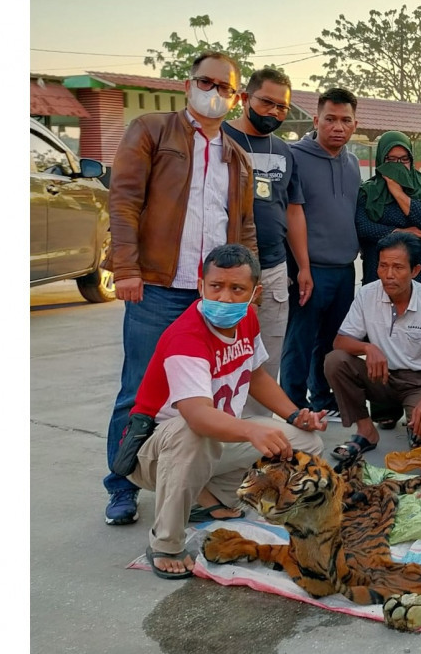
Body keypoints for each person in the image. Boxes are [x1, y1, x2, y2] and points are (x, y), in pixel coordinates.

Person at [101, 51, 256, 526]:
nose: (213, 93)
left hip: (214, 297)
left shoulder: (236, 154)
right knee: (140, 391)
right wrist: (126, 268)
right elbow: (124, 201)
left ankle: (195, 489)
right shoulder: (151, 130)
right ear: (186, 85)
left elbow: (245, 227)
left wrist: (247, 286)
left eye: (223, 87)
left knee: (206, 397)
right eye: (204, 82)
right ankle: (121, 485)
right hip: (158, 286)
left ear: (236, 96)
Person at [124, 244, 326, 579]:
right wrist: (251, 431)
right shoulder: (186, 337)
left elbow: (257, 374)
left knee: (306, 443)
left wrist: (294, 416)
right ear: (201, 286)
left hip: (212, 438)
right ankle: (166, 543)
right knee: (197, 433)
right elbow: (197, 415)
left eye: (237, 289)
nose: (226, 298)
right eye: (216, 286)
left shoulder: (246, 319)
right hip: (155, 452)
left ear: (254, 293)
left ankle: (204, 497)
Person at [324, 232, 421, 461]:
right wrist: (368, 349)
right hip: (381, 376)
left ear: (415, 271)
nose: (389, 275)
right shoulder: (367, 294)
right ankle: (366, 430)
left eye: (398, 267)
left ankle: (413, 426)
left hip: (420, 382)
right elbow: (340, 342)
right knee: (335, 361)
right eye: (383, 266)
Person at [222, 68, 298, 421]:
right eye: (266, 102)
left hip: (274, 269)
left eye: (282, 107)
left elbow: (294, 212)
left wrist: (305, 267)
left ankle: (258, 441)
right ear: (244, 98)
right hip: (227, 274)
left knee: (267, 358)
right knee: (221, 356)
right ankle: (221, 432)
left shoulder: (285, 151)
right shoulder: (218, 138)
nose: (274, 112)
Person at [281, 88, 362, 413]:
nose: (338, 127)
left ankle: (323, 399)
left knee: (330, 341)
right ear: (317, 120)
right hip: (308, 269)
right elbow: (289, 212)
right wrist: (301, 268)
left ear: (355, 124)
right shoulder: (294, 157)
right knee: (299, 342)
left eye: (345, 120)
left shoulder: (353, 162)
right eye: (330, 119)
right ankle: (293, 406)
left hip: (344, 270)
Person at [357, 131, 421, 290]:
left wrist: (397, 192)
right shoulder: (368, 191)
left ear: (411, 160)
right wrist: (400, 232)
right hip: (379, 266)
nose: (398, 165)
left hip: (417, 267)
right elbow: (363, 228)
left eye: (404, 159)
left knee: (418, 311)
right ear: (381, 159)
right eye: (391, 160)